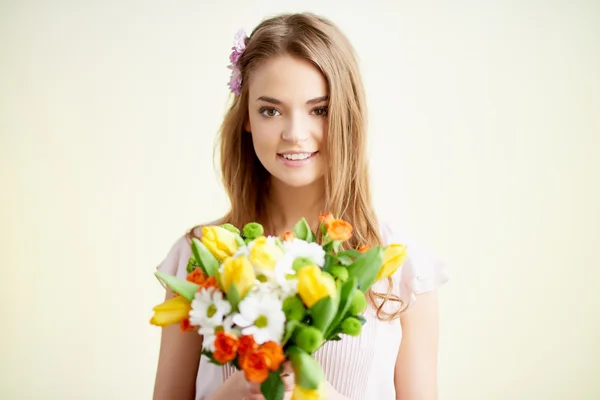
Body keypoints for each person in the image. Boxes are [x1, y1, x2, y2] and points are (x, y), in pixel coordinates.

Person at [152, 12, 449, 400]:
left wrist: (318, 393)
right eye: (270, 110)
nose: (294, 134)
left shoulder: (403, 269)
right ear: (246, 119)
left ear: (346, 116)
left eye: (319, 110)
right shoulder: (198, 256)